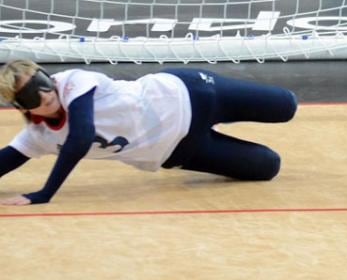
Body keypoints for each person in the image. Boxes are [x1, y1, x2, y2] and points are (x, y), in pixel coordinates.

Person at [0, 59, 298, 205]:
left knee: (287, 106)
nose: (45, 93)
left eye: (42, 80)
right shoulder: (39, 137)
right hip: (180, 151)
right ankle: (214, 130)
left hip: (192, 94)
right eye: (29, 95)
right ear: (21, 108)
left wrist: (44, 194)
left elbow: (80, 138)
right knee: (268, 166)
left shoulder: (72, 83)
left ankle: (223, 116)